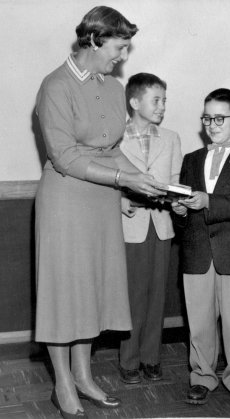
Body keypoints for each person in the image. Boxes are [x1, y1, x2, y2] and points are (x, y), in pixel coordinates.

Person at [35, 6, 165, 418]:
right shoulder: (55, 86)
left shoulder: (111, 87)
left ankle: (84, 375)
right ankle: (62, 384)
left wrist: (146, 179)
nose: (123, 57)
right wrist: (123, 181)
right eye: (120, 47)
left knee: (89, 292)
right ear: (94, 40)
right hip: (66, 200)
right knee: (64, 295)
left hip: (101, 198)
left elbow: (112, 151)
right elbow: (66, 157)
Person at [171, 88, 230, 407]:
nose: (211, 124)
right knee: (198, 322)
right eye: (207, 117)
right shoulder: (191, 160)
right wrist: (181, 212)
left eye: (219, 118)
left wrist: (208, 201)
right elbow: (184, 209)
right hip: (197, 251)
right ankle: (201, 375)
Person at [118, 73, 183, 384]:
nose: (162, 106)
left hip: (161, 225)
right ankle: (128, 359)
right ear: (134, 102)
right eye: (155, 100)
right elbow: (104, 180)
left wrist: (178, 199)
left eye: (164, 101)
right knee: (132, 295)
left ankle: (151, 357)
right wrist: (118, 200)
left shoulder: (171, 138)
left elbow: (175, 179)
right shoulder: (114, 137)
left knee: (157, 295)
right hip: (130, 226)